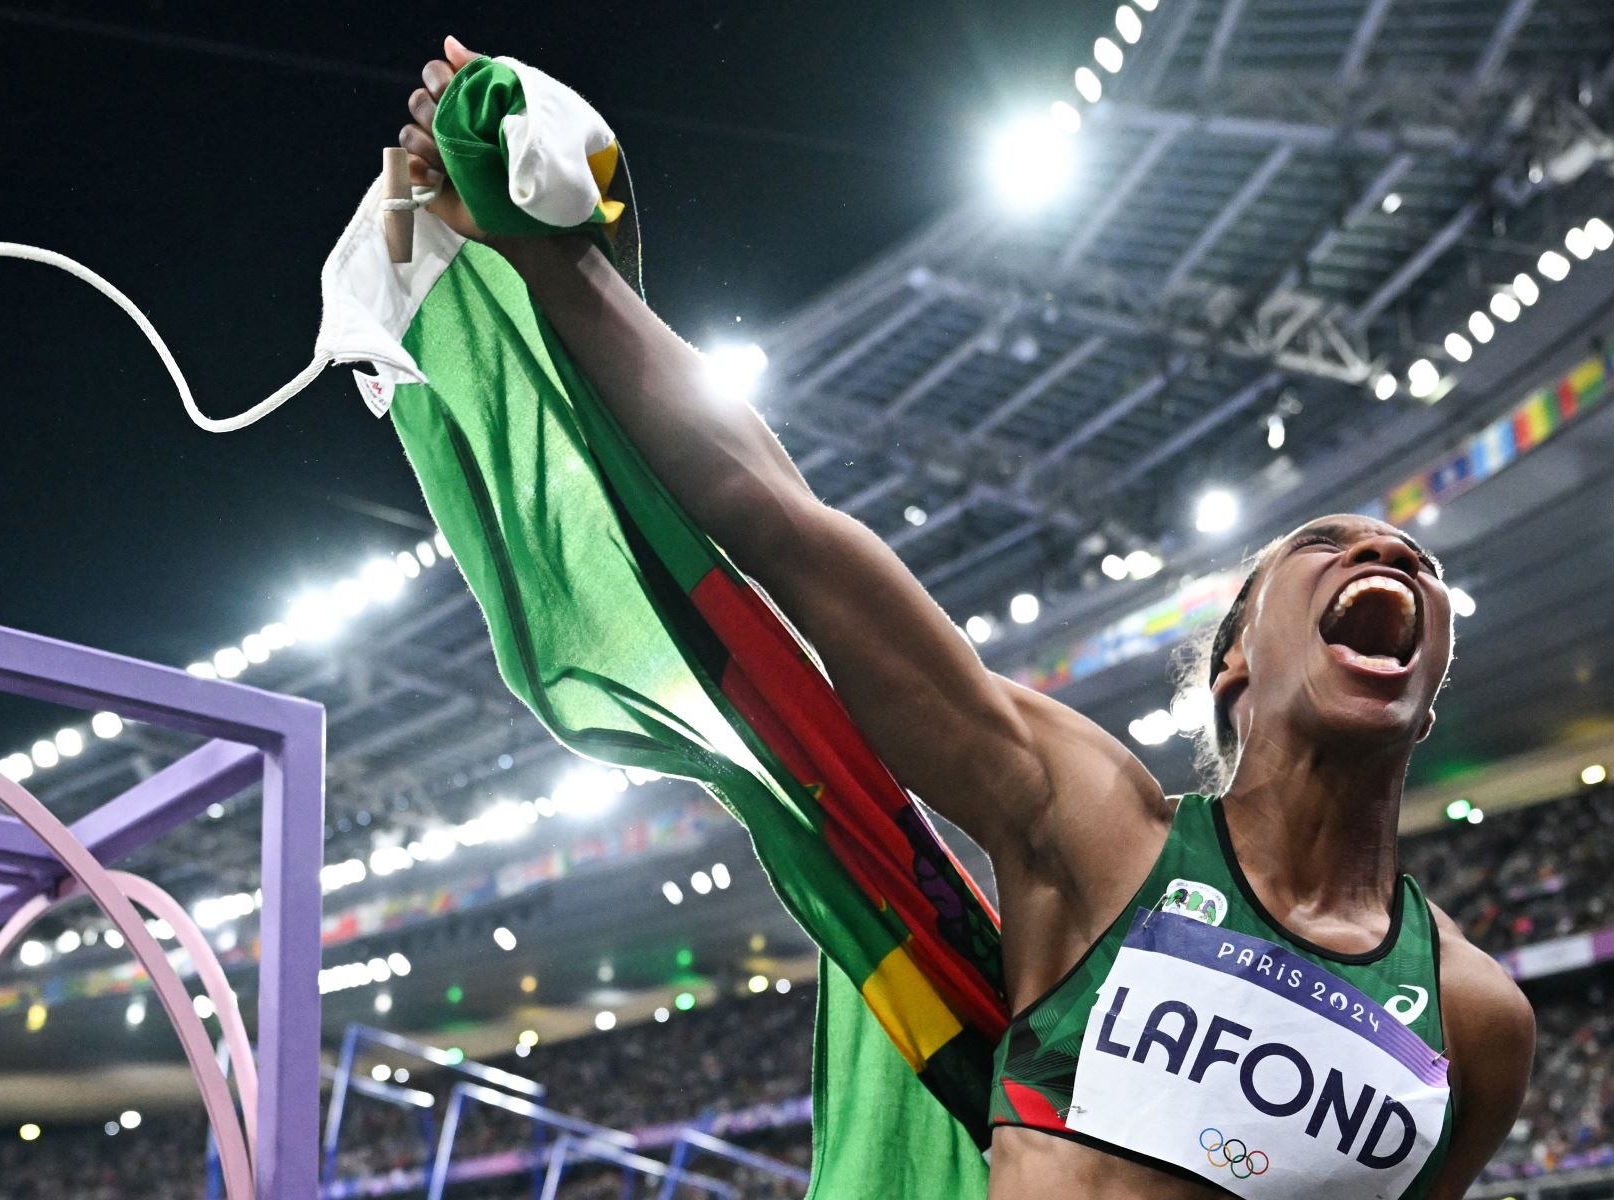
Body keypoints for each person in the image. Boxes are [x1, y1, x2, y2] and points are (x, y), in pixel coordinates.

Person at [399, 37, 1534, 1199]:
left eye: (1416, 562)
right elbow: (787, 524)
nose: (1388, 550)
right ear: (1236, 659)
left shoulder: (1478, 1021)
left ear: (1429, 680)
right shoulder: (1100, 833)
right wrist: (561, 266)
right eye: (1324, 546)